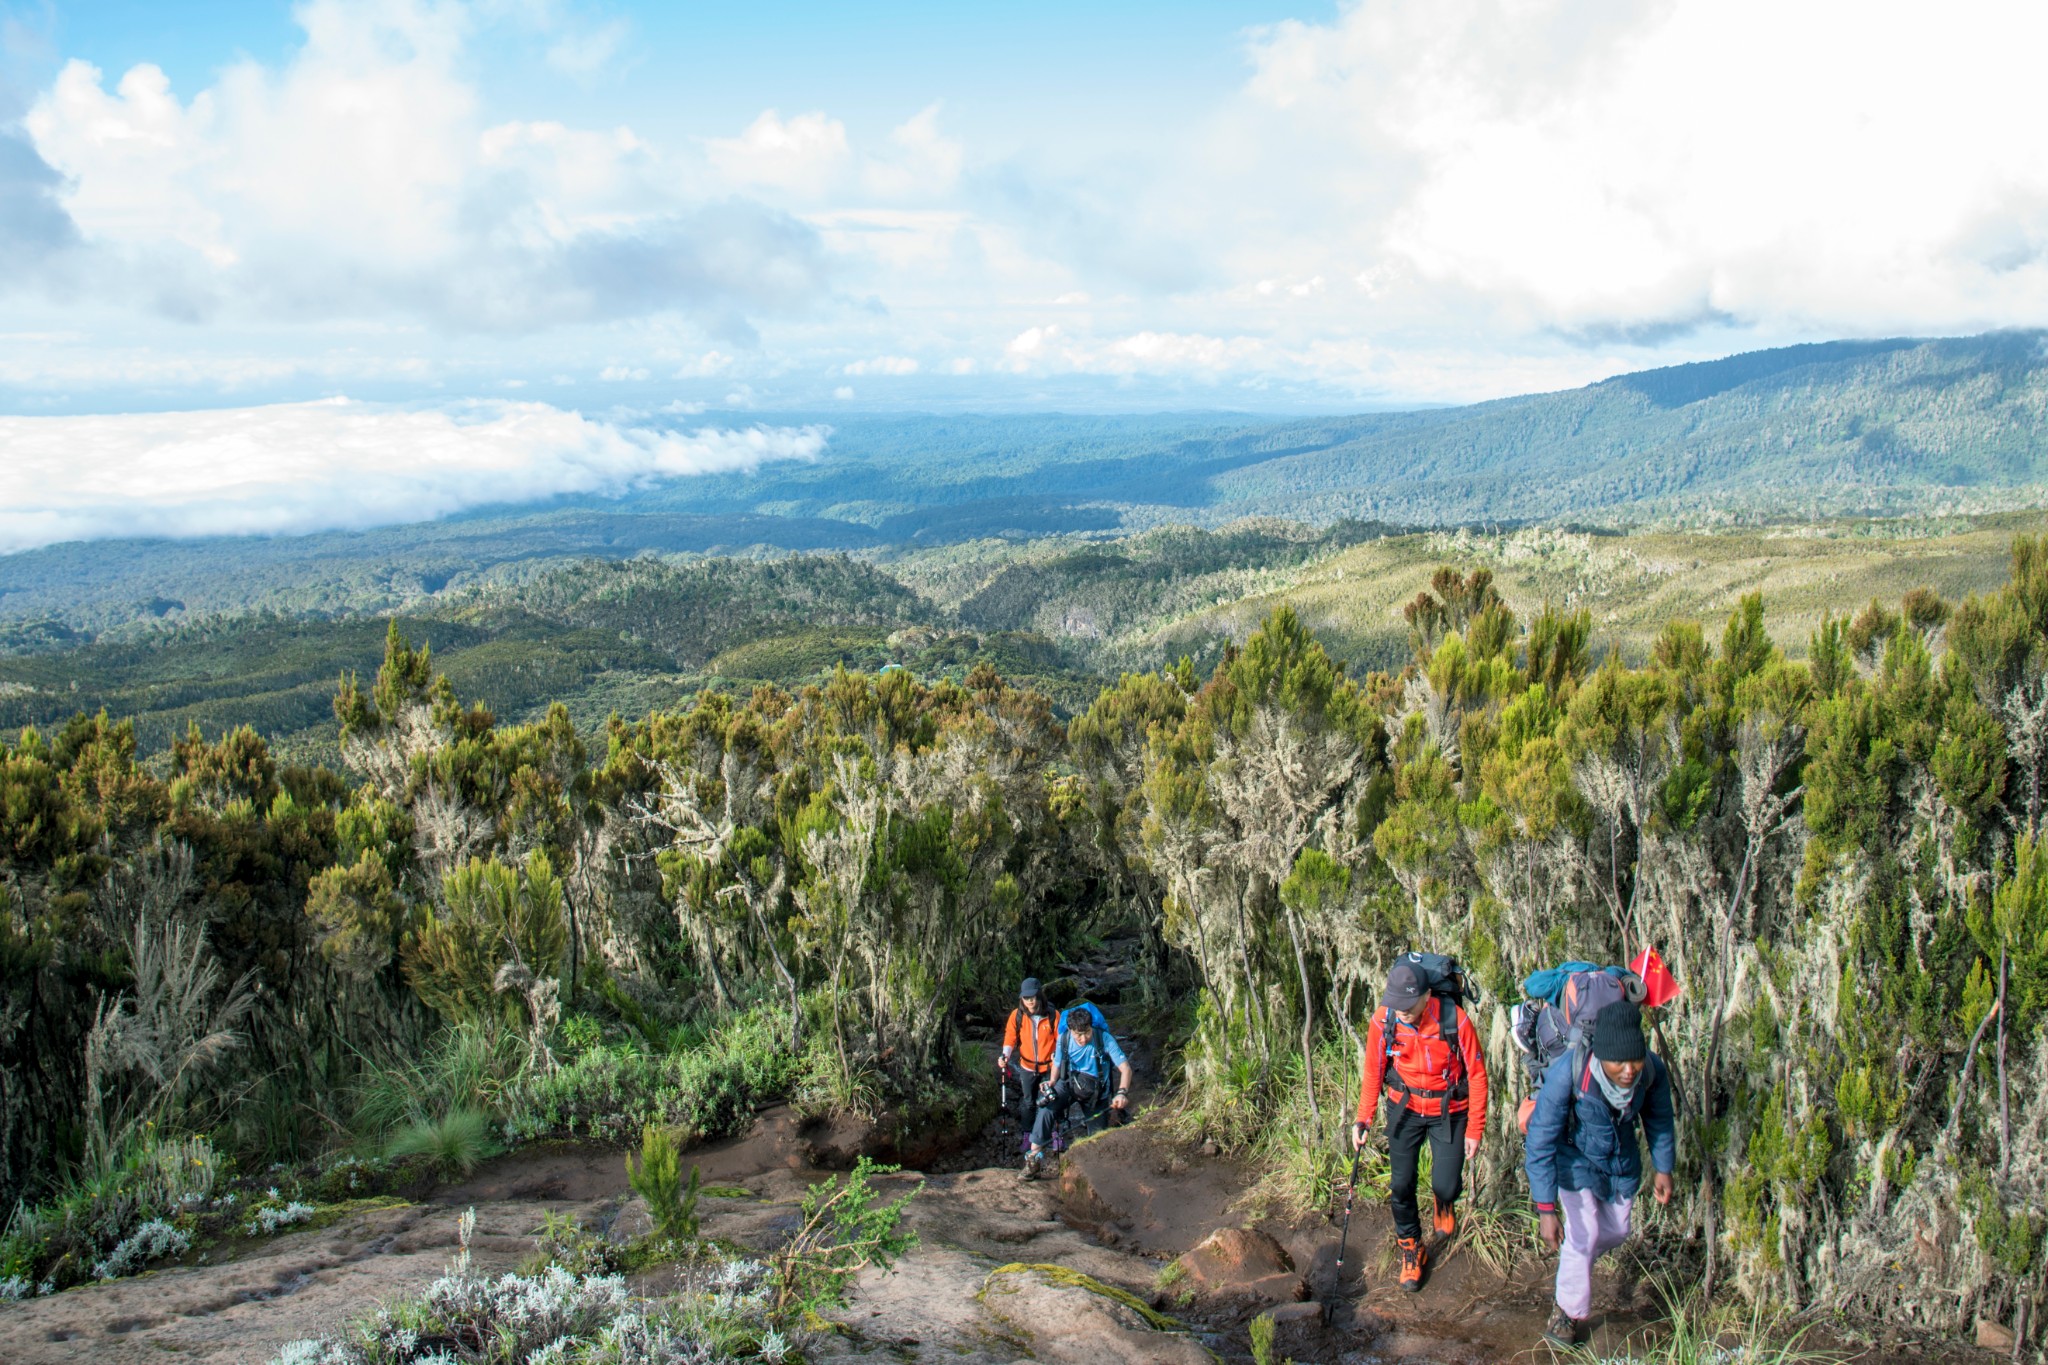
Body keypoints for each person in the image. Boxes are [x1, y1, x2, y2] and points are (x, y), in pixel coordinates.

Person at [1523, 1000, 1677, 1347]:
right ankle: (1565, 1314)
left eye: (1634, 1059)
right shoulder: (1570, 1072)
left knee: (1618, 1230)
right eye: (1618, 1062)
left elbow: (1660, 1119)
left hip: (1620, 1165)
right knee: (1584, 1233)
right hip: (1573, 1161)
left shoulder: (1649, 1070)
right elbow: (1540, 1140)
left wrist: (1664, 1168)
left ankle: (1573, 1270)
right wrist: (1546, 1209)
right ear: (1599, 1055)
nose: (1628, 1070)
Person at [1353, 959, 1489, 1292]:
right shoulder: (1384, 1020)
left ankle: (1444, 1201)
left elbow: (1478, 1075)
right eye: (1395, 1005)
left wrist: (1475, 1128)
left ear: (1427, 997)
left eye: (1408, 1006)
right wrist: (1363, 1117)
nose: (1401, 1012)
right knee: (1401, 1186)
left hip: (1450, 1109)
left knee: (1445, 1185)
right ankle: (1411, 1248)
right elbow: (1373, 1071)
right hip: (1405, 1108)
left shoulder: (1454, 1019)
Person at [1021, 1006, 1132, 1180]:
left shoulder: (1103, 1039)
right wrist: (1051, 1081)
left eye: (1086, 1033)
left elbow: (1125, 1069)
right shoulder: (1064, 1039)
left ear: (1091, 1027)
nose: (1082, 1038)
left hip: (1097, 1092)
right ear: (1071, 1030)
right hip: (1069, 1084)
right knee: (1046, 1109)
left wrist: (1121, 1093)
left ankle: (1093, 1175)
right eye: (1078, 1034)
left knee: (1097, 1140)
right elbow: (1057, 1063)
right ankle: (1032, 1161)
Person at [999, 978, 1057, 1133]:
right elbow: (1010, 1037)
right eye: (1026, 998)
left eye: (1032, 997)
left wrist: (1057, 1055)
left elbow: (1061, 1039)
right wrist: (1005, 1055)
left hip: (1049, 1067)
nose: (1030, 1001)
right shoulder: (1017, 1016)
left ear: (1039, 996)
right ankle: (1027, 1135)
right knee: (1028, 1102)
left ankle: (1056, 1135)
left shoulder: (1052, 1015)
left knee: (1052, 1100)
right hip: (1027, 1067)